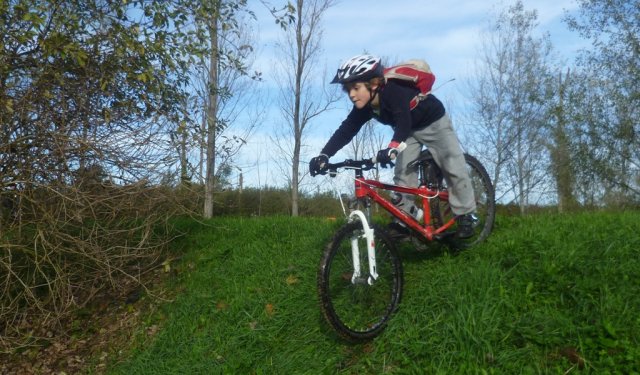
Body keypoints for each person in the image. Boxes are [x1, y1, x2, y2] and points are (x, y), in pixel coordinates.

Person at [309, 54, 477, 238]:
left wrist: (393, 147)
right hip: (409, 131)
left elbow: (402, 118)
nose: (351, 94)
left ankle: (465, 214)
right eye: (348, 89)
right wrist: (324, 155)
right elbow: (347, 129)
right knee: (403, 174)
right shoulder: (364, 106)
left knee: (452, 164)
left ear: (373, 84)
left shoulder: (392, 90)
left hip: (433, 123)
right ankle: (405, 220)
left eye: (356, 88)